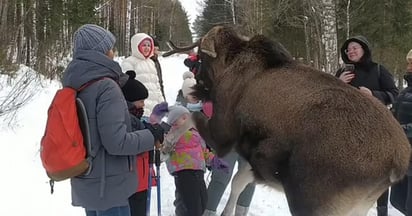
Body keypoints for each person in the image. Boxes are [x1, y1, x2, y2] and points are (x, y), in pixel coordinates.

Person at [62, 24, 164, 216]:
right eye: (110, 47)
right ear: (101, 51)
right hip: (109, 185)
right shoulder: (106, 86)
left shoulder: (76, 82)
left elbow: (95, 127)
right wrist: (151, 136)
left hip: (87, 180)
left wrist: (138, 125)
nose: (113, 52)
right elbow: (117, 143)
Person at [335, 35, 399, 216]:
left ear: (364, 49)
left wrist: (374, 94)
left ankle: (382, 211)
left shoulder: (378, 70)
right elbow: (329, 97)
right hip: (347, 129)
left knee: (379, 172)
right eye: (348, 49)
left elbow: (395, 94)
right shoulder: (341, 72)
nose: (351, 51)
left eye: (355, 47)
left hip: (375, 128)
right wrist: (338, 83)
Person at [156, 105, 229, 216]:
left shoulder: (196, 133)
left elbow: (204, 152)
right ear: (174, 122)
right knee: (191, 205)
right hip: (184, 172)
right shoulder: (172, 134)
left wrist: (216, 162)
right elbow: (164, 150)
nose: (188, 121)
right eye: (183, 118)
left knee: (203, 201)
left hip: (198, 172)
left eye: (188, 117)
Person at [121, 70, 155, 216]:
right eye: (141, 101)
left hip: (141, 178)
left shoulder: (138, 118)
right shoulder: (127, 119)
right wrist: (151, 133)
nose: (143, 105)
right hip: (132, 179)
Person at [121, 33, 164, 117]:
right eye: (144, 45)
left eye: (149, 45)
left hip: (154, 109)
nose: (147, 48)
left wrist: (162, 103)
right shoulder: (129, 62)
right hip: (140, 108)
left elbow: (157, 85)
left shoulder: (151, 62)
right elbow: (127, 86)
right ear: (136, 46)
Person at [391, 49, 412, 215]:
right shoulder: (405, 91)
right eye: (408, 62)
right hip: (403, 156)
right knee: (398, 201)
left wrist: (399, 130)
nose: (409, 66)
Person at [150, 36, 166, 101]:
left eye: (157, 50)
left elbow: (160, 83)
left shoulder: (156, 62)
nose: (156, 52)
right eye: (154, 50)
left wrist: (163, 100)